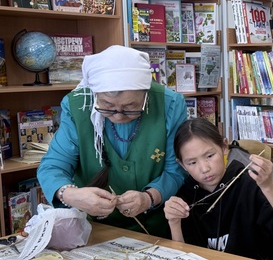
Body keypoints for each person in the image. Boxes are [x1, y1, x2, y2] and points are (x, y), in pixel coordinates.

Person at [38, 45, 187, 238]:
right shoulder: (77, 106)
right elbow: (52, 166)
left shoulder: (169, 104)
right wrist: (71, 195)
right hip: (93, 229)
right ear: (95, 94)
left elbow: (176, 169)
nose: (118, 116)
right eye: (107, 106)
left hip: (157, 228)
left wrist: (148, 198)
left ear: (146, 94)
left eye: (130, 107)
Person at [164, 118, 273, 260]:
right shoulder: (185, 196)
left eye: (210, 156)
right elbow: (181, 259)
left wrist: (270, 187)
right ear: (182, 165)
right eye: (192, 162)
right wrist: (174, 222)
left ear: (224, 146)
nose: (204, 168)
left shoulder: (249, 186)